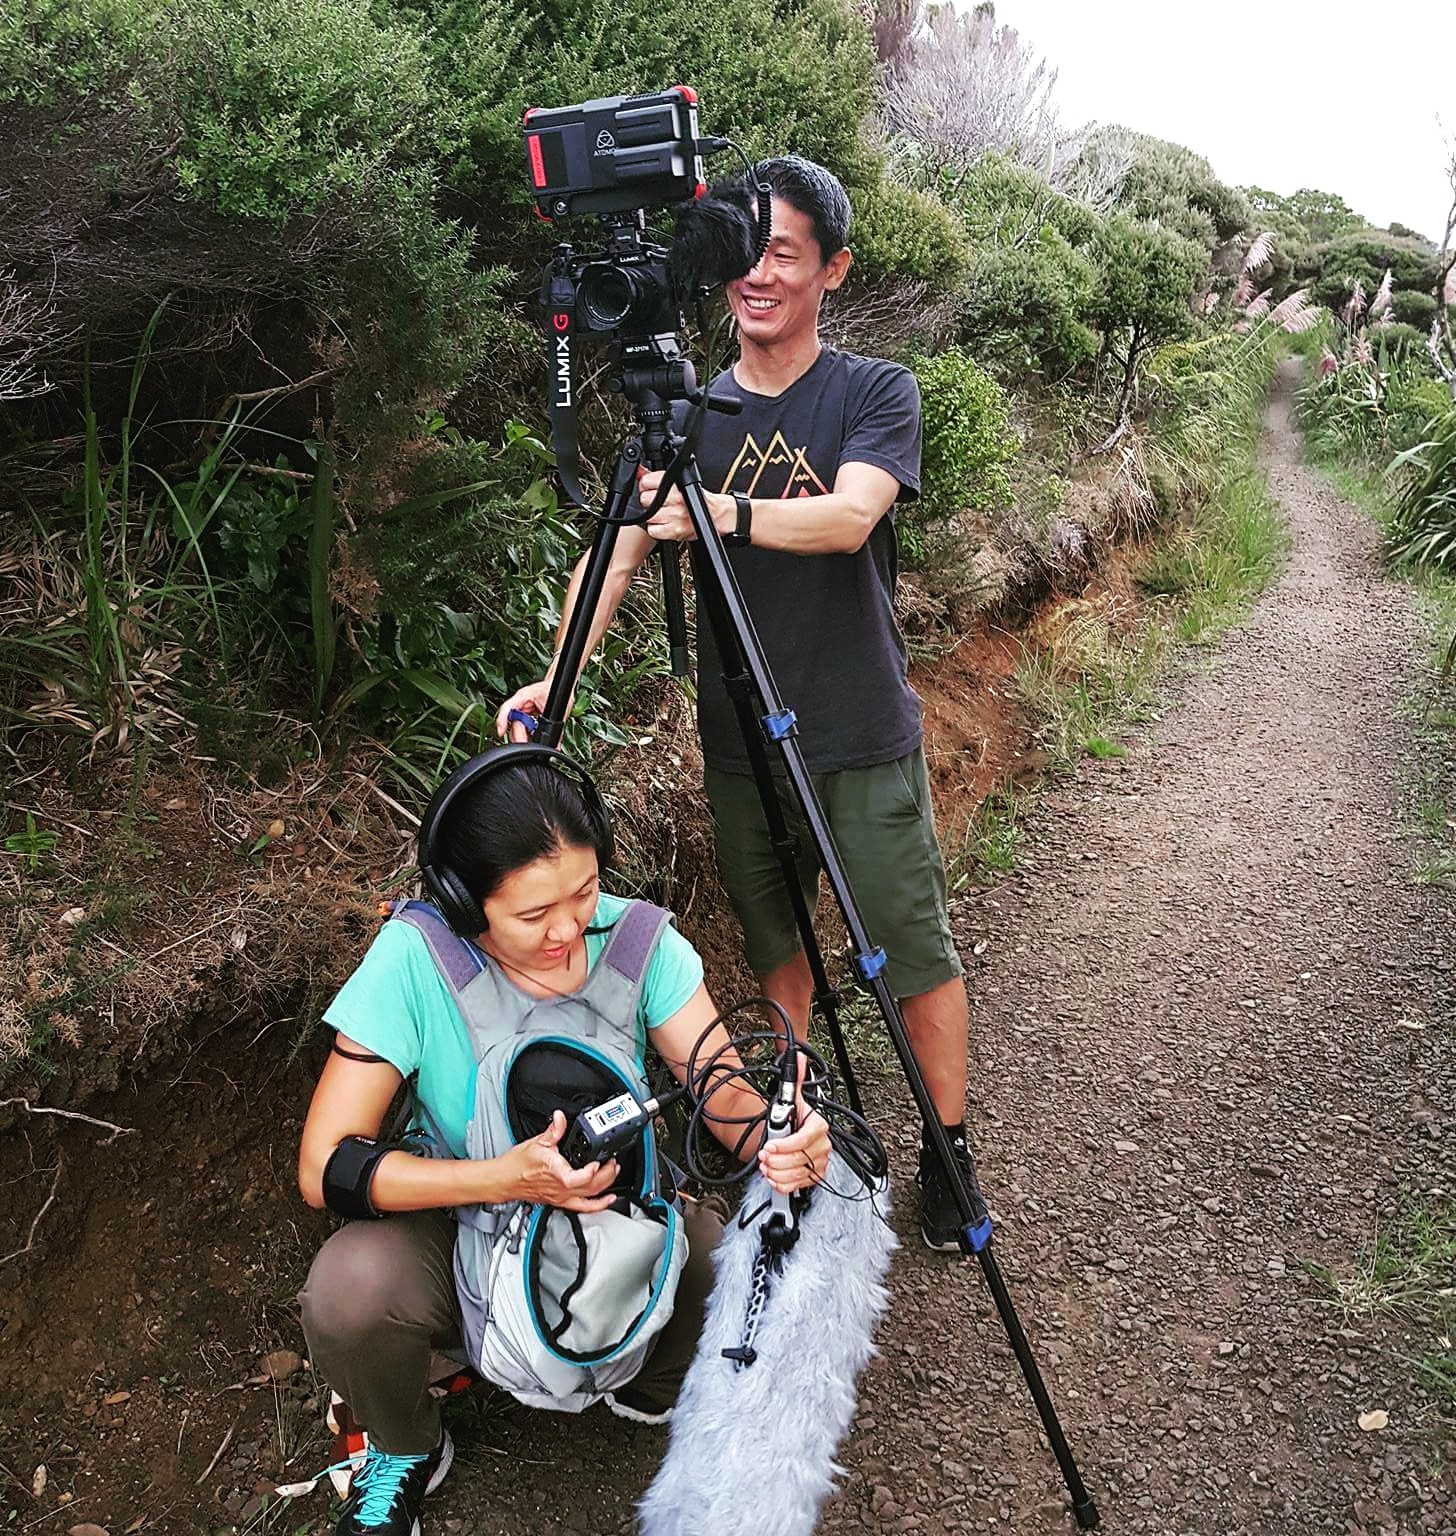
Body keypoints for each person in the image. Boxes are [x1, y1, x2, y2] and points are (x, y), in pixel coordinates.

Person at [497, 154, 988, 1254]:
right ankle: (792, 1131)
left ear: (833, 269)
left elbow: (849, 518)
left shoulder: (871, 392)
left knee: (912, 954)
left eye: (785, 254)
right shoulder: (685, 413)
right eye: (744, 252)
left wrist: (718, 512)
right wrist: (554, 681)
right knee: (781, 961)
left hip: (857, 731)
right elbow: (615, 555)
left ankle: (947, 1149)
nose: (758, 276)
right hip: (742, 746)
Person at [296, 747, 831, 1536]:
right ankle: (405, 1445)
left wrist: (781, 1139)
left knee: (743, 1270)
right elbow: (325, 1166)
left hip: (621, 1226)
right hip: (466, 1232)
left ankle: (636, 1377)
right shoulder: (416, 960)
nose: (568, 928)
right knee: (350, 1293)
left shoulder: (639, 946)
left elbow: (724, 1094)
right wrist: (505, 1181)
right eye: (531, 914)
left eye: (583, 892)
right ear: (463, 902)